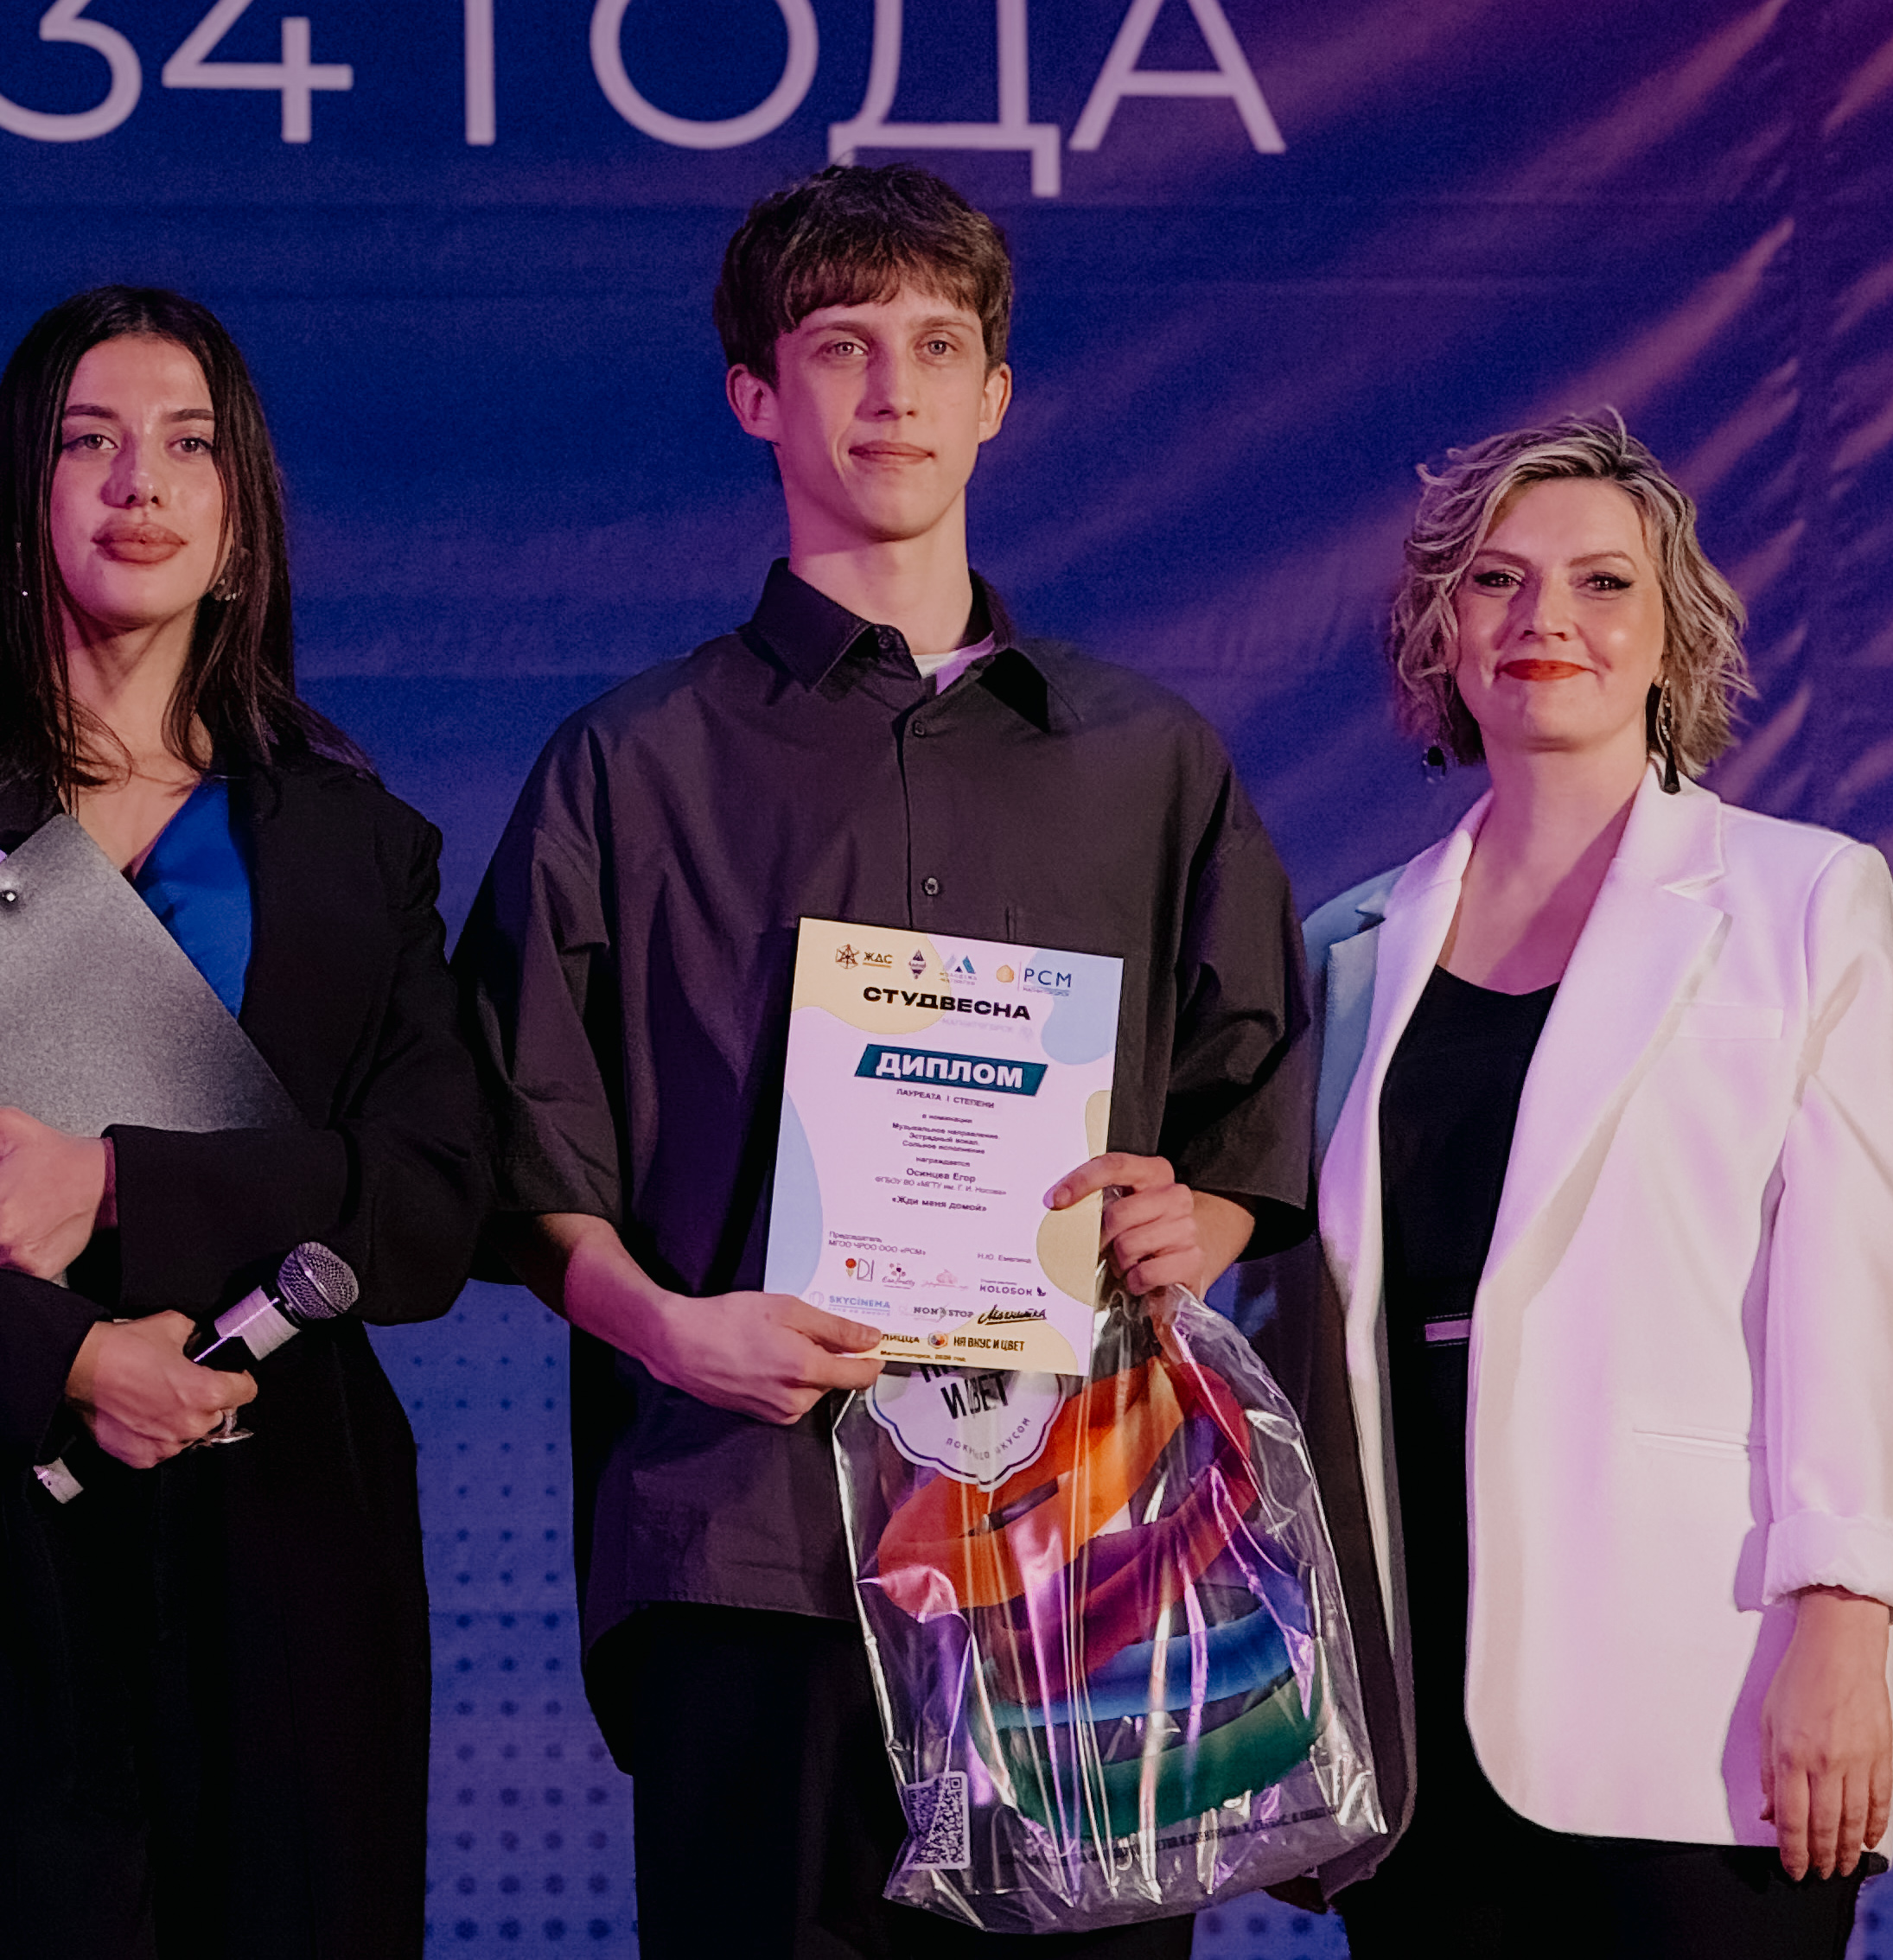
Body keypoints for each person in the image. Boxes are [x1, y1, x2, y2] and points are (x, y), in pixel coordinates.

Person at [456, 163, 1316, 1960]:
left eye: (936, 346)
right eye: (840, 346)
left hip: (1080, 1555)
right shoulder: (630, 766)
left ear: (996, 396)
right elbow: (516, 1150)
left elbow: (1249, 1112)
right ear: (754, 397)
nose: (892, 391)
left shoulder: (1149, 761)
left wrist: (1206, 1221)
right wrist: (668, 1328)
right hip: (751, 1545)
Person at [0, 286, 486, 1958]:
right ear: (24, 492)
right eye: (90, 441)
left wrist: (120, 1184)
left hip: (292, 1545)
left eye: (189, 446)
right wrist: (69, 1357)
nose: (142, 482)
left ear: (240, 515)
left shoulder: (362, 847)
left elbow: (432, 1204)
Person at [1258, 412, 1893, 1953]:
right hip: (1407, 1705)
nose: (1544, 617)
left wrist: (1846, 1623)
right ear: (1441, 634)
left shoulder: (1805, 899)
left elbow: (1854, 1292)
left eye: (1601, 582)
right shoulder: (1348, 945)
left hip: (1692, 1689)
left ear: (1671, 637)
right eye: (1496, 580)